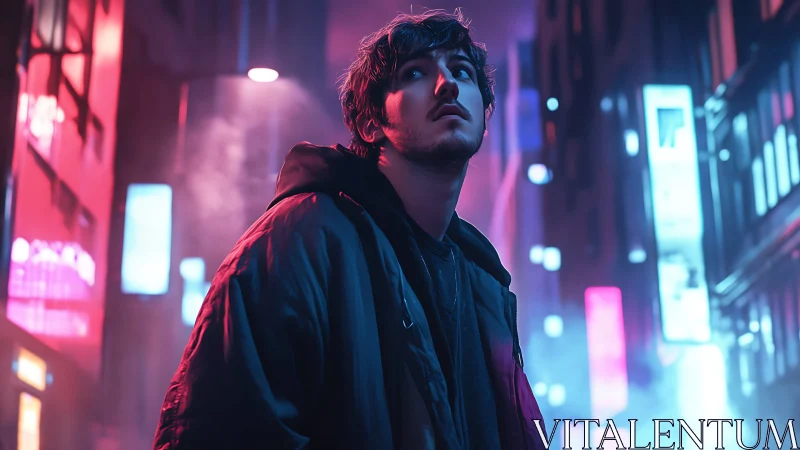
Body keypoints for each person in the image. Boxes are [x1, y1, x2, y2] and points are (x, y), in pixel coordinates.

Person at [153, 9, 544, 450]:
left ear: (485, 114)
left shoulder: (482, 282)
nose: (447, 84)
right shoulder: (299, 241)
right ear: (370, 123)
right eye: (416, 72)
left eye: (462, 71)